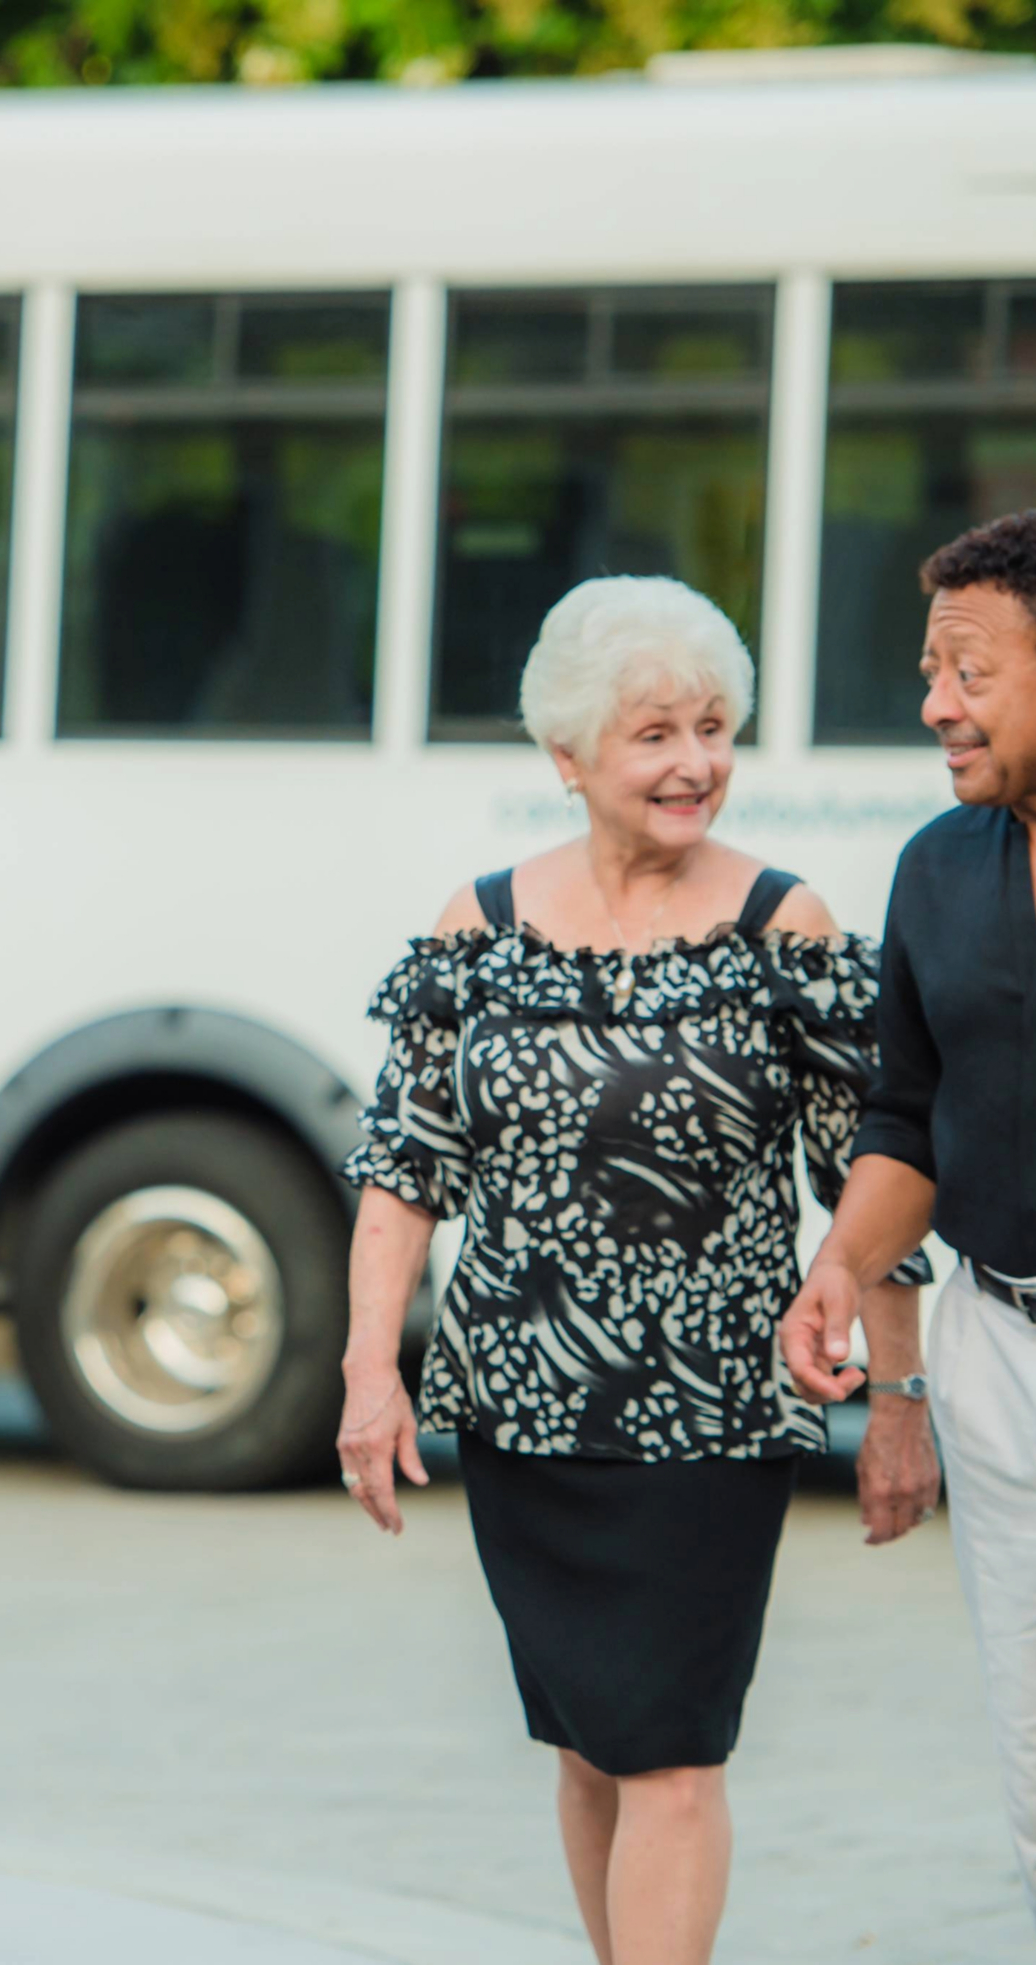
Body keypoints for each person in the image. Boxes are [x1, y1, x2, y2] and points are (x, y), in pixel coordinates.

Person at [339, 574, 933, 1965]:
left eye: (715, 727)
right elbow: (403, 1167)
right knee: (589, 1743)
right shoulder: (474, 928)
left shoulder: (783, 927)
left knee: (670, 1748)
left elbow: (876, 1180)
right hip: (524, 1414)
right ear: (569, 756)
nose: (696, 763)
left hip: (709, 1411)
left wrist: (898, 1394)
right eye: (657, 733)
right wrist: (374, 1366)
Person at [782, 509, 1036, 1924]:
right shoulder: (941, 867)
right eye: (929, 668)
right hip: (998, 1341)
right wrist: (842, 1270)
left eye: (970, 668)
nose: (935, 701)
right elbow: (906, 1113)